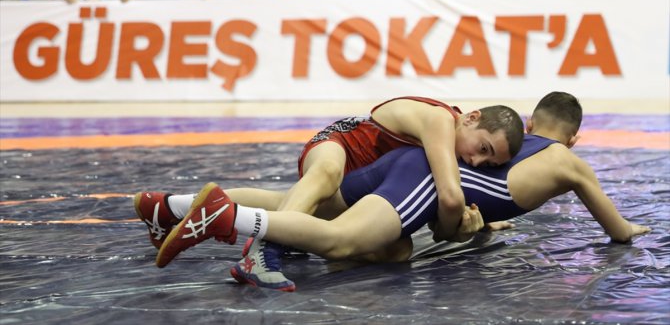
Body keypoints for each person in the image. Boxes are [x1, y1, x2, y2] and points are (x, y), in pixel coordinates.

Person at [139, 92, 650, 292]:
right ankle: (236, 229)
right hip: (380, 160)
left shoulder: (505, 142)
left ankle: (176, 206)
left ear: (534, 123)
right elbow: (618, 230)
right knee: (339, 237)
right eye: (484, 150)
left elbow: (477, 183)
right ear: (574, 137)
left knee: (388, 247)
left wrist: (482, 218)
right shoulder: (564, 160)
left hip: (384, 164)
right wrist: (630, 228)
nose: (479, 159)